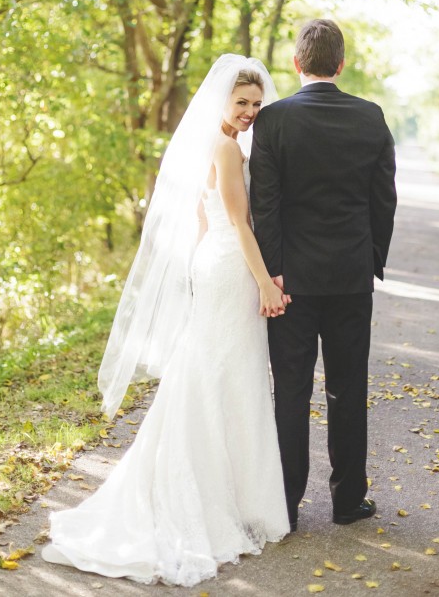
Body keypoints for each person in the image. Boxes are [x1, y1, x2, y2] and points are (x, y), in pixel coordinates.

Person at [42, 56, 290, 586]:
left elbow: (204, 219)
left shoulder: (216, 144)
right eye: (241, 102)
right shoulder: (225, 149)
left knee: (215, 372)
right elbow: (241, 226)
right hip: (230, 268)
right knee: (226, 374)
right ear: (223, 101)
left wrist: (204, 269)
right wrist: (266, 281)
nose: (249, 111)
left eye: (255, 104)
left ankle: (225, 489)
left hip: (215, 265)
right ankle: (216, 496)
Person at [250, 19, 397, 532]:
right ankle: (348, 502)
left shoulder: (272, 122)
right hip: (351, 278)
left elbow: (263, 207)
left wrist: (274, 274)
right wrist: (371, 258)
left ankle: (285, 506)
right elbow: (384, 201)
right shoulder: (371, 117)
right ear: (340, 64)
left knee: (290, 391)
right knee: (348, 387)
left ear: (297, 64)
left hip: (291, 283)